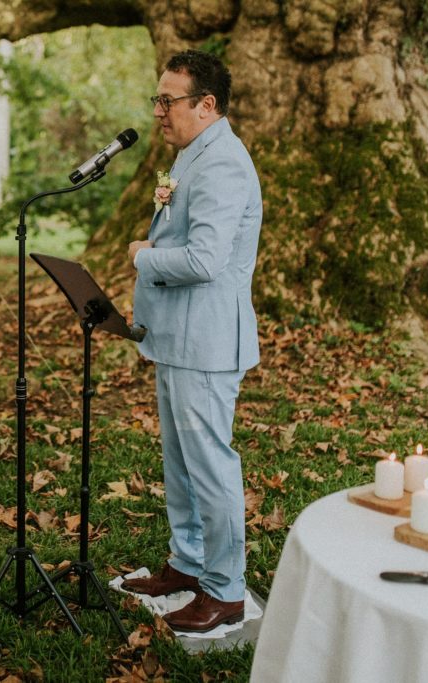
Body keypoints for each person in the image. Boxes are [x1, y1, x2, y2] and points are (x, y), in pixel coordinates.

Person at [123, 50, 262, 633]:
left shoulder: (222, 163)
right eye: (157, 100)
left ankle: (225, 590)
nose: (158, 112)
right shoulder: (194, 155)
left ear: (205, 106)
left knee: (210, 466)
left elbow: (205, 259)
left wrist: (143, 256)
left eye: (167, 101)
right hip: (176, 337)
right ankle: (187, 564)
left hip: (205, 342)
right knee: (179, 464)